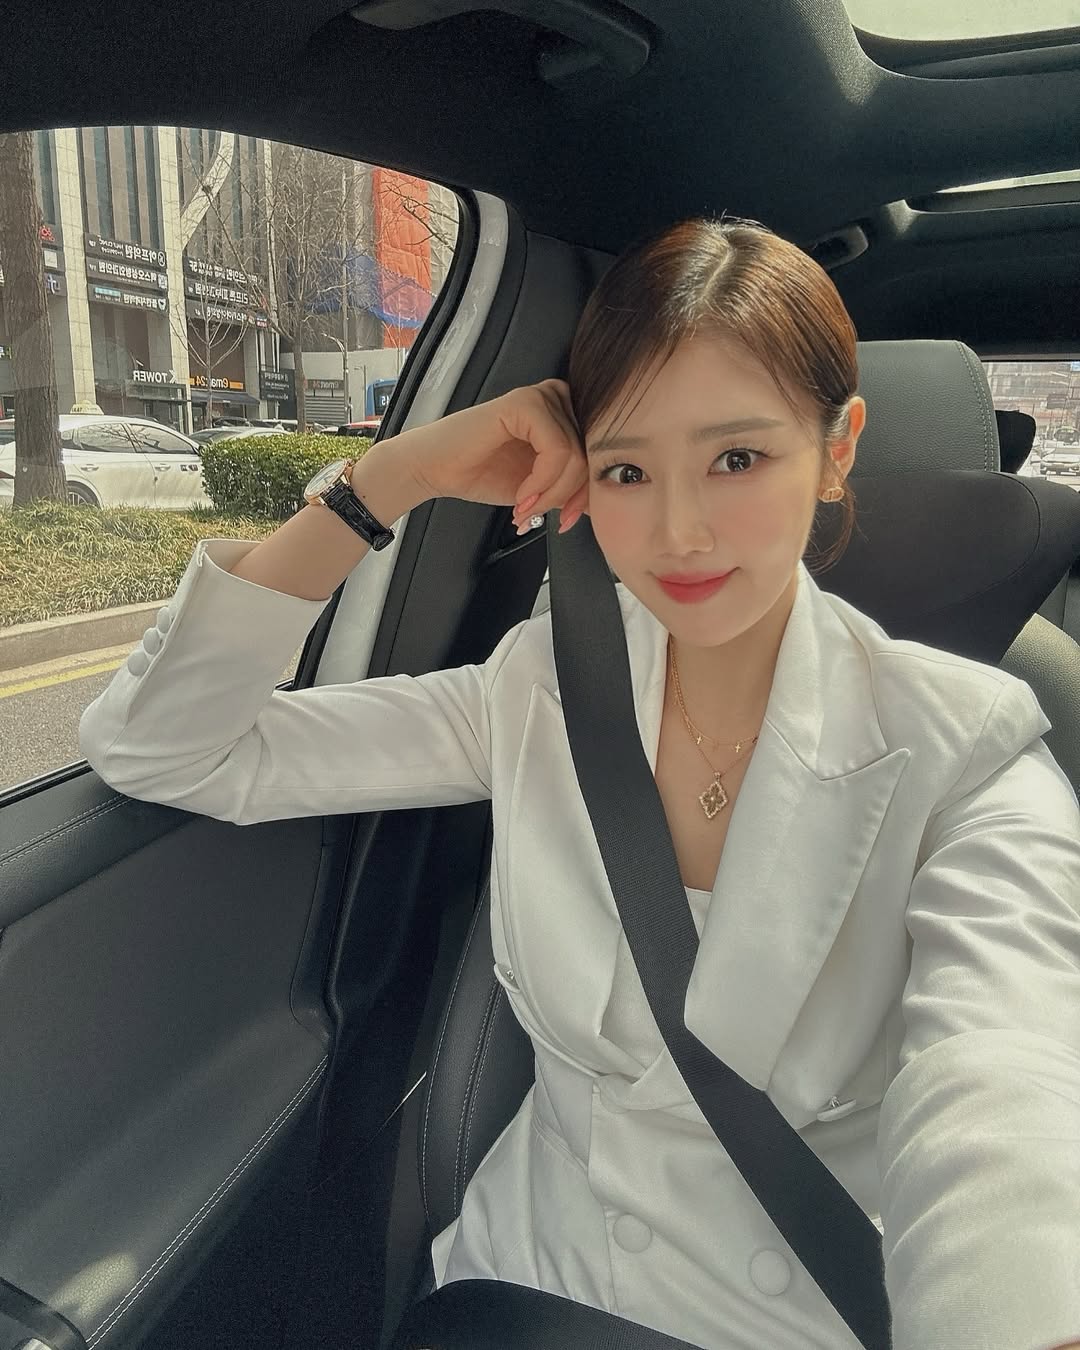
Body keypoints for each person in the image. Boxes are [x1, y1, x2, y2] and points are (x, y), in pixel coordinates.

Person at [79, 218, 1080, 1350]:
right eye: (627, 470)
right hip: (526, 1290)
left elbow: (1004, 1087)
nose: (679, 531)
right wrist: (391, 478)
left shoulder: (967, 747)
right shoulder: (539, 689)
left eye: (738, 459)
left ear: (836, 447)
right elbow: (166, 745)